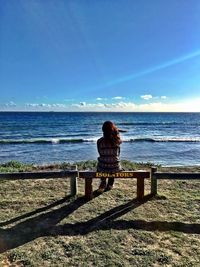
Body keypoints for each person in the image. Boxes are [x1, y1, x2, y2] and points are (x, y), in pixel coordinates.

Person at [97, 121, 125, 193]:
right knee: (113, 164)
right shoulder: (116, 140)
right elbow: (118, 154)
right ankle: (110, 184)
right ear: (113, 130)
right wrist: (116, 131)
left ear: (103, 130)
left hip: (102, 167)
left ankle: (103, 181)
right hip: (115, 166)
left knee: (102, 162)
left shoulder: (99, 141)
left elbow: (100, 153)